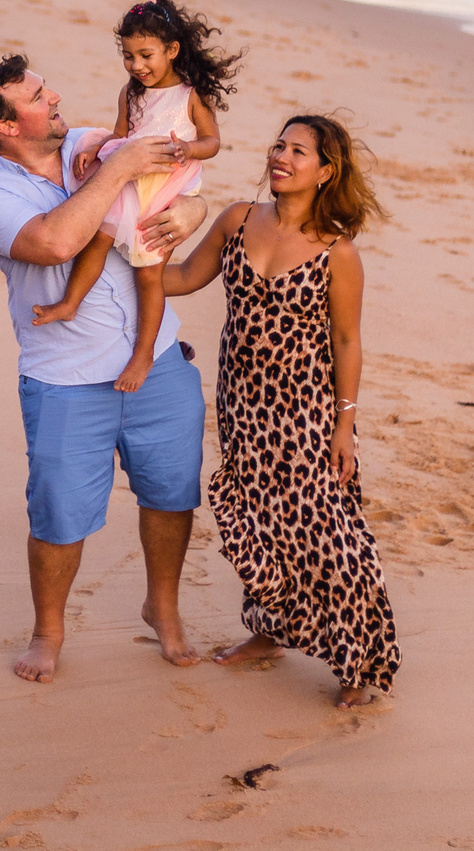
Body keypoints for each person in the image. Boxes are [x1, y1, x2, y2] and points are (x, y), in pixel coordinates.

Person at [0, 53, 214, 683]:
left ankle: (163, 607)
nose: (55, 99)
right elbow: (55, 241)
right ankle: (48, 633)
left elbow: (182, 170)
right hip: (66, 379)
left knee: (171, 493)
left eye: (48, 88)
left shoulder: (87, 143)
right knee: (59, 513)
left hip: (158, 359)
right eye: (38, 97)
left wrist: (194, 214)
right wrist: (120, 167)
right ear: (7, 127)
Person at [159, 113, 399, 706]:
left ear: (327, 171)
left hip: (307, 412)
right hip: (243, 406)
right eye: (279, 145)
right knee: (262, 524)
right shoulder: (239, 218)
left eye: (299, 151)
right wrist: (118, 264)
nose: (282, 157)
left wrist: (346, 425)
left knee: (329, 535)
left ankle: (359, 663)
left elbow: (347, 341)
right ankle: (272, 631)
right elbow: (187, 276)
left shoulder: (337, 252)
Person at [31, 0, 236, 397]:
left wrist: (188, 149)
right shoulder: (130, 93)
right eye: (128, 56)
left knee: (149, 276)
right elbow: (122, 135)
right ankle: (71, 301)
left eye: (146, 55)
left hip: (166, 185)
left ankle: (143, 353)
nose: (137, 66)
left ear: (172, 50)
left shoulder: (190, 95)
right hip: (129, 180)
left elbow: (212, 141)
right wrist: (97, 147)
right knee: (96, 240)